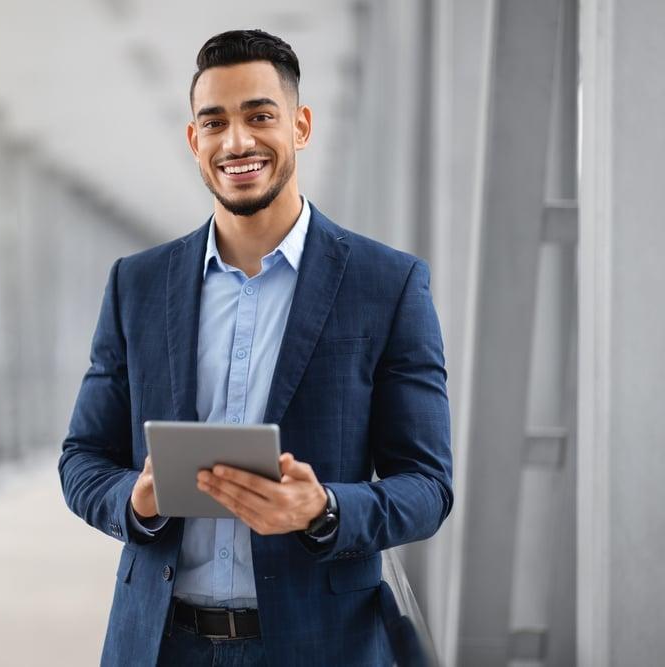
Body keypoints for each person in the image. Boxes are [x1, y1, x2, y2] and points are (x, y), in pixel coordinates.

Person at [59, 29, 453, 667]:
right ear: (194, 141)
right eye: (213, 122)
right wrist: (135, 500)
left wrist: (323, 507)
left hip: (322, 645)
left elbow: (429, 486)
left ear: (300, 125)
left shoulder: (388, 284)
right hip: (159, 644)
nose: (236, 142)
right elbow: (82, 459)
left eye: (260, 116)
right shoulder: (137, 284)